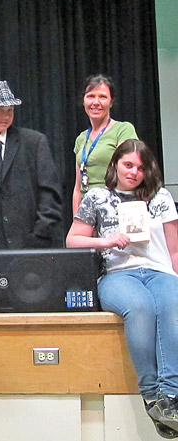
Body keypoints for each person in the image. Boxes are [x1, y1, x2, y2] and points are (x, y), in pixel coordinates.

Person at [67, 140, 178, 438]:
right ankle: (152, 394)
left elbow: (174, 250)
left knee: (171, 307)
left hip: (159, 270)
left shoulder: (161, 196)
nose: (135, 172)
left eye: (141, 168)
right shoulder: (97, 197)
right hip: (118, 273)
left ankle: (171, 397)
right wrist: (108, 240)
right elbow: (73, 240)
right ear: (115, 164)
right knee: (140, 308)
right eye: (129, 165)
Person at [0, 80, 62, 249]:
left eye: (10, 111)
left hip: (32, 245)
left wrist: (39, 234)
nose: (6, 116)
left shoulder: (34, 143)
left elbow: (50, 194)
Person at [72, 74, 138, 214]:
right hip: (88, 211)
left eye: (102, 97)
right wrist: (77, 222)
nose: (96, 102)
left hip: (116, 208)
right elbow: (78, 188)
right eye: (90, 96)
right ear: (83, 101)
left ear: (111, 102)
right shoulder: (81, 139)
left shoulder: (123, 130)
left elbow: (130, 174)